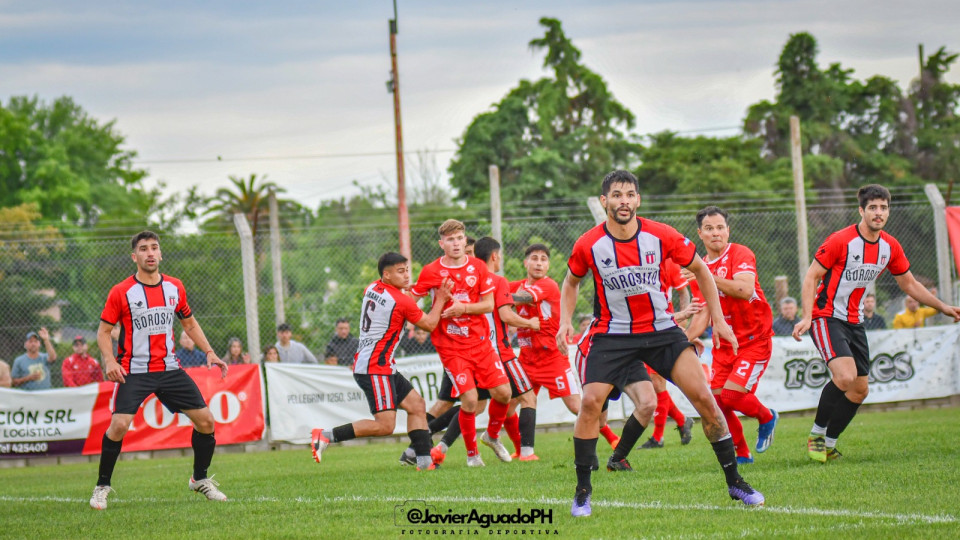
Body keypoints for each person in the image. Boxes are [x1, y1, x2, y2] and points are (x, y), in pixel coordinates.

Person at [557, 170, 763, 517]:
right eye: (617, 195)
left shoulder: (662, 235)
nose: (625, 201)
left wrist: (720, 319)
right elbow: (571, 282)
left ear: (638, 200)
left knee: (706, 400)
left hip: (661, 331)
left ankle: (735, 482)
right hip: (613, 334)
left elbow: (701, 271)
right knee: (591, 403)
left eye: (631, 194)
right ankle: (582, 492)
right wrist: (565, 320)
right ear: (605, 201)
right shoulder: (588, 243)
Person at [793, 185, 960, 463]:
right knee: (845, 377)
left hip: (855, 321)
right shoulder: (840, 240)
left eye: (883, 207)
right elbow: (812, 276)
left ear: (888, 212)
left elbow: (909, 283)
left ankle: (830, 445)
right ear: (861, 210)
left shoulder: (890, 246)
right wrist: (808, 316)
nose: (878, 213)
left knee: (860, 389)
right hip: (826, 316)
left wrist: (942, 306)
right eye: (873, 207)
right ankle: (816, 435)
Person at [90, 230, 229, 510]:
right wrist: (109, 361)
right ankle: (102, 486)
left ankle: (199, 479)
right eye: (143, 249)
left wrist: (210, 352)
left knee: (207, 422)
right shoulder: (121, 291)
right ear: (134, 256)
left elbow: (189, 323)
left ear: (161, 254)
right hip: (133, 371)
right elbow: (104, 332)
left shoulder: (175, 287)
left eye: (154, 248)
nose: (150, 253)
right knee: (118, 425)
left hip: (169, 369)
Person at [311, 252, 453, 471]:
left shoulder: (373, 287)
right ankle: (326, 436)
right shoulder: (401, 301)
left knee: (417, 405)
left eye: (407, 270)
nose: (406, 275)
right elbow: (430, 324)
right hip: (375, 367)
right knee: (385, 425)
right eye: (400, 271)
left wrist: (408, 288)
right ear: (386, 275)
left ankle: (425, 464)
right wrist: (441, 299)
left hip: (379, 364)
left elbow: (396, 298)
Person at [410, 219, 513, 467]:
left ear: (465, 241)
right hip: (451, 347)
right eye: (450, 240)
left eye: (460, 239)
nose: (456, 244)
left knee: (504, 394)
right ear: (441, 244)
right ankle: (472, 456)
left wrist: (462, 307)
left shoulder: (478, 267)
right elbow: (411, 303)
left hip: (480, 343)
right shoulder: (431, 271)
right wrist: (434, 310)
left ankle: (491, 435)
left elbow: (488, 304)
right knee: (469, 400)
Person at [684, 206, 778, 465]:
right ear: (700, 233)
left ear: (728, 230)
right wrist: (684, 338)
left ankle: (767, 417)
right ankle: (743, 453)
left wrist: (706, 275)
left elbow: (744, 289)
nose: (716, 233)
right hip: (724, 344)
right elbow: (703, 313)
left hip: (754, 339)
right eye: (710, 229)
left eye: (720, 227)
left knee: (732, 396)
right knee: (717, 403)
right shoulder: (698, 269)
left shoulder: (740, 253)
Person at [639, 258, 696, 450]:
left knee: (656, 383)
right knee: (651, 384)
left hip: (663, 329)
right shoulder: (632, 261)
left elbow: (683, 291)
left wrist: (683, 320)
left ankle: (658, 437)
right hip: (640, 329)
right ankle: (681, 420)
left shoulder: (668, 263)